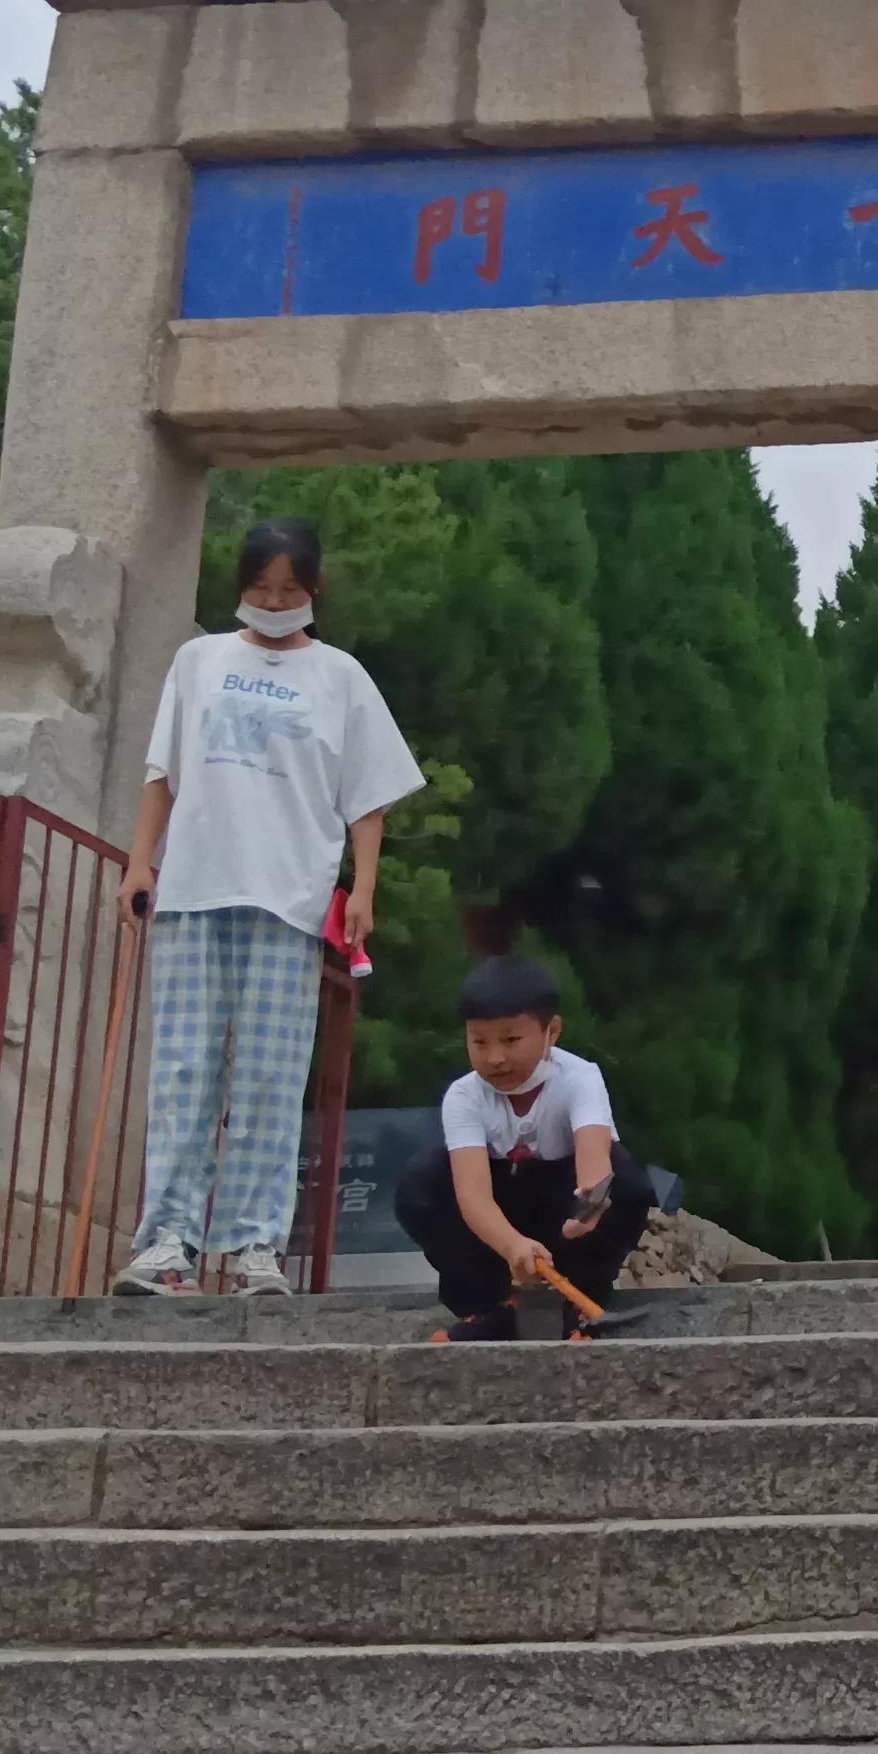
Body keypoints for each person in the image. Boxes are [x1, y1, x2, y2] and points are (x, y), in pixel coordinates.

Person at [114, 515, 423, 1298]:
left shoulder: (342, 677)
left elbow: (369, 799)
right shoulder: (199, 661)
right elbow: (163, 771)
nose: (275, 601)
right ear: (240, 588)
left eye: (289, 589)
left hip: (287, 895)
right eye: (260, 588)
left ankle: (255, 1245)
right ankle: (168, 1243)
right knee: (183, 1070)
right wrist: (139, 860)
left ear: (314, 590)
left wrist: (363, 889)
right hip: (193, 887)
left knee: (270, 1077)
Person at [396, 950, 654, 1337]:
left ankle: (577, 1302)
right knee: (422, 1183)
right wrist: (513, 1245)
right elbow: (473, 1195)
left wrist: (587, 1210)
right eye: (479, 1042)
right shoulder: (464, 1096)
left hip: (561, 1215)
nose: (495, 1058)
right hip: (500, 1222)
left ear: (551, 1031)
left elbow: (595, 1158)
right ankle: (491, 1304)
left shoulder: (579, 1078)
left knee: (629, 1182)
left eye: (511, 1040)